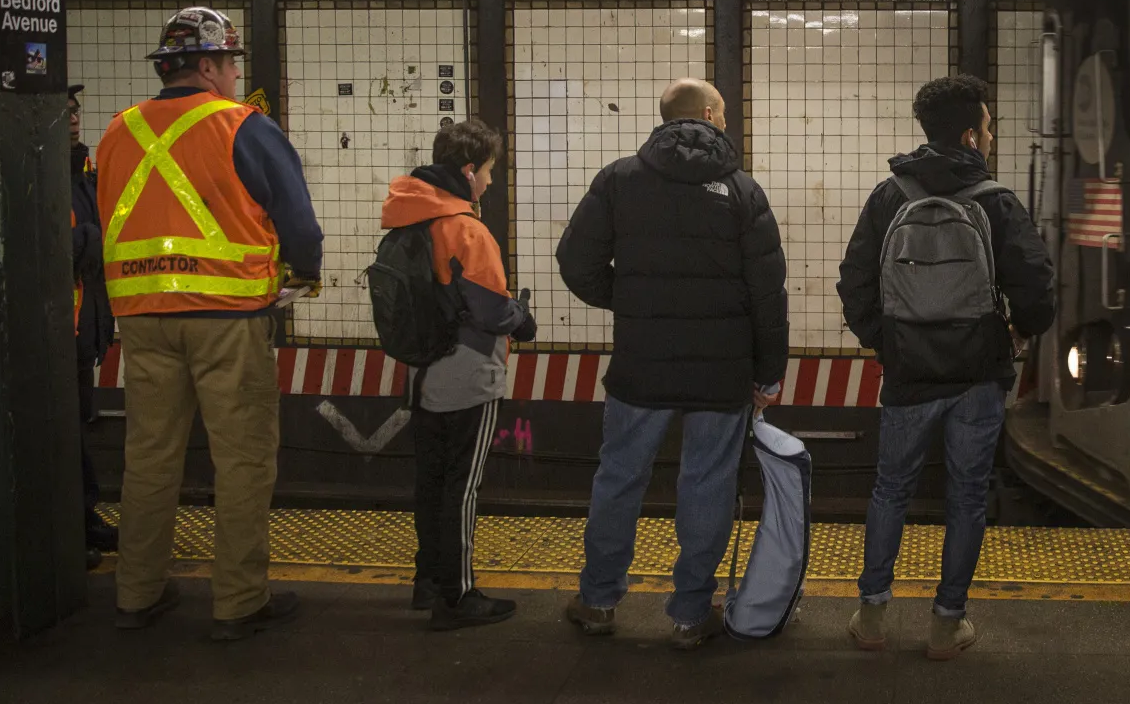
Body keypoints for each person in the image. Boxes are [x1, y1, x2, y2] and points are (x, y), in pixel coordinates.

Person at [97, 7, 322, 641]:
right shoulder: (242, 126)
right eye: (230, 62)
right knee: (243, 460)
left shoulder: (118, 131)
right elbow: (298, 222)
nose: (233, 73)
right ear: (206, 64)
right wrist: (303, 273)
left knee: (148, 458)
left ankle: (137, 592)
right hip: (227, 319)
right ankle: (239, 602)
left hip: (141, 320)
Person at [557, 78, 788, 649]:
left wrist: (633, 299)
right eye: (725, 114)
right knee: (707, 484)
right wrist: (768, 372)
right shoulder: (742, 191)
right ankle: (689, 614)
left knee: (619, 479)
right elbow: (768, 292)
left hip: (641, 366)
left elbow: (574, 261)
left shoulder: (619, 180)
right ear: (710, 114)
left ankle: (598, 600)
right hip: (721, 371)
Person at [837, 73, 1054, 658]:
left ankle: (873, 615)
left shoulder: (890, 197)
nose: (990, 135)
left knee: (890, 489)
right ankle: (945, 623)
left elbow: (853, 281)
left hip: (910, 372)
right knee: (966, 495)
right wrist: (1016, 330)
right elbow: (1037, 288)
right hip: (978, 373)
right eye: (988, 125)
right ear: (970, 135)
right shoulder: (996, 201)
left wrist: (888, 340)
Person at [381, 119, 536, 631]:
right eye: (488, 171)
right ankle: (458, 596)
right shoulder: (466, 228)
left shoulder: (408, 221)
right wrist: (523, 318)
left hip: (423, 373)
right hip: (469, 374)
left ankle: (427, 583)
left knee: (431, 482)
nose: (490, 182)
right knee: (462, 488)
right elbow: (491, 310)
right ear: (469, 171)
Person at [69, 86, 120, 561]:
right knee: (58, 429)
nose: (72, 118)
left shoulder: (84, 174)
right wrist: (92, 237)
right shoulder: (36, 173)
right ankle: (64, 530)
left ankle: (81, 520)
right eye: (61, 110)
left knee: (75, 426)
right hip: (51, 331)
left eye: (74, 110)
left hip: (83, 326)